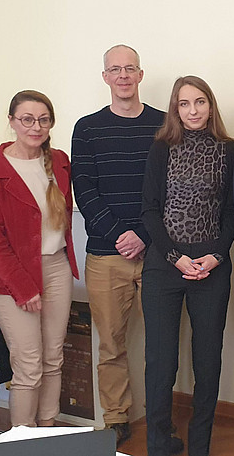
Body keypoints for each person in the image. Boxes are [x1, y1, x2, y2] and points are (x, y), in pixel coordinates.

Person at [141, 76, 234, 456]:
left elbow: (232, 212)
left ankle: (200, 446)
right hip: (165, 266)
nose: (193, 110)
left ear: (210, 106)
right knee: (161, 362)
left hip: (211, 267)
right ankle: (158, 444)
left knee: (207, 362)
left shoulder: (229, 150)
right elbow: (150, 211)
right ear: (175, 109)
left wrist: (216, 255)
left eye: (200, 102)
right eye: (184, 104)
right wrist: (175, 257)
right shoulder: (161, 148)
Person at [71, 44, 163, 443]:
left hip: (158, 252)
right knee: (110, 344)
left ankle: (161, 415)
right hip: (106, 256)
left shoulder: (164, 124)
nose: (123, 75)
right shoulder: (87, 128)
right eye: (115, 69)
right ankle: (116, 417)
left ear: (141, 75)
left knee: (162, 344)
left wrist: (143, 234)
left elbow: (171, 187)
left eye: (130, 68)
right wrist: (119, 235)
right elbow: (84, 190)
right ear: (105, 77)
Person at [0, 90, 79, 428]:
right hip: (11, 277)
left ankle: (46, 431)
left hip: (57, 267)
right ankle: (23, 441)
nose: (36, 127)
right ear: (12, 121)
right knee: (29, 365)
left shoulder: (60, 161)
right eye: (27, 119)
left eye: (44, 120)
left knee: (53, 358)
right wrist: (24, 287)